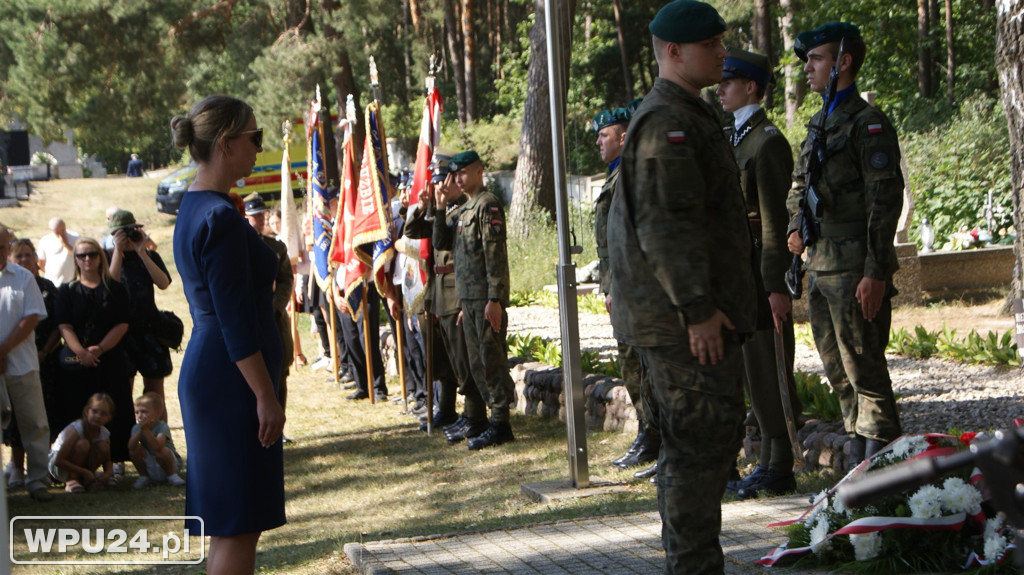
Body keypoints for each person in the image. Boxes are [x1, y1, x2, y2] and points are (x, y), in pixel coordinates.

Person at [606, 1, 758, 572]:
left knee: (705, 447)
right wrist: (697, 311)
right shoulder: (666, 121)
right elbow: (667, 226)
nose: (724, 52)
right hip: (685, 323)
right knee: (697, 451)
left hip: (692, 316)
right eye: (712, 45)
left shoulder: (688, 113)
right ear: (674, 52)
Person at [171, 95, 285, 574]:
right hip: (232, 379)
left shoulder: (199, 205)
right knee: (239, 525)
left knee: (232, 526)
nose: (260, 147)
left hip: (218, 370)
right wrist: (264, 393)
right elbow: (235, 317)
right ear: (225, 143)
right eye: (254, 138)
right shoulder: (218, 218)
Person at [786, 22, 904, 466]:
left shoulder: (867, 123)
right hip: (819, 264)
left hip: (855, 266)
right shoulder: (819, 123)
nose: (808, 70)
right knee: (837, 371)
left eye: (815, 60)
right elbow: (802, 184)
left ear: (843, 62)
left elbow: (884, 200)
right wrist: (797, 226)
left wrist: (876, 271)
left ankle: (883, 461)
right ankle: (857, 454)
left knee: (865, 369)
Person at [716, 47, 802, 499]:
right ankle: (768, 459)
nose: (720, 88)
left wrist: (775, 285)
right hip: (740, 273)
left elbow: (774, 222)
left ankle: (781, 462)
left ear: (751, 86)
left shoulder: (767, 142)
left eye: (728, 82)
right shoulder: (735, 138)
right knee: (754, 369)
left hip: (760, 272)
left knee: (771, 367)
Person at [591, 107, 661, 478]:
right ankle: (648, 433)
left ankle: (654, 435)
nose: (598, 141)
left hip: (637, 287)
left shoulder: (631, 175)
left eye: (604, 134)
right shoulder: (615, 176)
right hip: (619, 286)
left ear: (623, 136)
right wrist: (608, 286)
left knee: (643, 366)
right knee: (630, 365)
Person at [433, 150, 516, 450]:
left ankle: (500, 422)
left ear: (479, 171)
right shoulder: (464, 210)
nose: (456, 179)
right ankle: (484, 420)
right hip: (467, 298)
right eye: (454, 175)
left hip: (484, 297)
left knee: (491, 359)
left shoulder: (487, 204)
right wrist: (440, 206)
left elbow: (495, 256)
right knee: (476, 362)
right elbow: (441, 242)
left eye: (462, 173)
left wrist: (495, 298)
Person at [406, 151, 489, 442]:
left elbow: (446, 242)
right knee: (447, 357)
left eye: (446, 180)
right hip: (441, 288)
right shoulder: (449, 211)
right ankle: (454, 410)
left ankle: (474, 415)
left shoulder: (465, 209)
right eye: (439, 181)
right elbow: (413, 230)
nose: (441, 186)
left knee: (464, 359)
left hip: (459, 289)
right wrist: (424, 206)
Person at [55, 237, 133, 473]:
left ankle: (115, 463)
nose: (87, 259)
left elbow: (122, 323)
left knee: (115, 407)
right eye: (82, 255)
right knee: (76, 409)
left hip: (110, 358)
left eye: (92, 254)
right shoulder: (67, 291)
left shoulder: (115, 289)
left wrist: (99, 349)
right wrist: (81, 352)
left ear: (101, 257)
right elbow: (64, 325)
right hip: (77, 363)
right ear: (75, 260)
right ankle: (75, 466)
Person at [0, 225, 53, 502]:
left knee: (34, 422)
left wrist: (3, 349)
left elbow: (31, 317)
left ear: (7, 247)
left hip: (22, 363)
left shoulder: (23, 278)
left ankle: (37, 480)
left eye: (1, 246)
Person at [106, 209, 174, 408]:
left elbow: (163, 283)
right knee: (123, 392)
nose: (128, 237)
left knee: (155, 395)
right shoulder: (107, 257)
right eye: (122, 233)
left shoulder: (149, 255)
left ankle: (160, 436)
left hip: (149, 329)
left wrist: (142, 252)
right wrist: (118, 251)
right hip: (122, 333)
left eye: (131, 231)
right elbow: (111, 286)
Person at [243, 193, 294, 430]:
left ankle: (279, 427)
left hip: (273, 318)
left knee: (280, 371)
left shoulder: (276, 247)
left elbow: (286, 280)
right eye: (255, 216)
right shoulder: (238, 247)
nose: (261, 219)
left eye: (262, 214)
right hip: (249, 319)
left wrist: (275, 304)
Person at [48, 393, 115, 493]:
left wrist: (108, 473)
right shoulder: (77, 429)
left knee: (103, 446)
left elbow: (107, 459)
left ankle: (86, 481)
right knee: (83, 444)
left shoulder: (104, 433)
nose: (98, 416)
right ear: (87, 411)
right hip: (59, 467)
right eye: (95, 411)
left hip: (81, 467)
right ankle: (72, 481)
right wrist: (85, 472)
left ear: (109, 417)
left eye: (103, 414)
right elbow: (59, 461)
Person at [127, 392, 185, 489]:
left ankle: (172, 476)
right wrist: (141, 430)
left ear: (158, 413)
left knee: (162, 450)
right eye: (137, 412)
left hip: (169, 463)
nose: (140, 415)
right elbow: (131, 447)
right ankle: (144, 476)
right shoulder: (137, 428)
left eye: (144, 411)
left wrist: (146, 430)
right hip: (150, 463)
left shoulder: (162, 426)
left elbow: (157, 446)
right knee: (134, 449)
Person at [36, 217, 79, 286]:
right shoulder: (45, 241)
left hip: (71, 282)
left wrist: (66, 244)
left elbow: (78, 256)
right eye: (57, 232)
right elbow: (40, 263)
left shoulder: (75, 237)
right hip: (52, 283)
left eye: (63, 230)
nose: (61, 233)